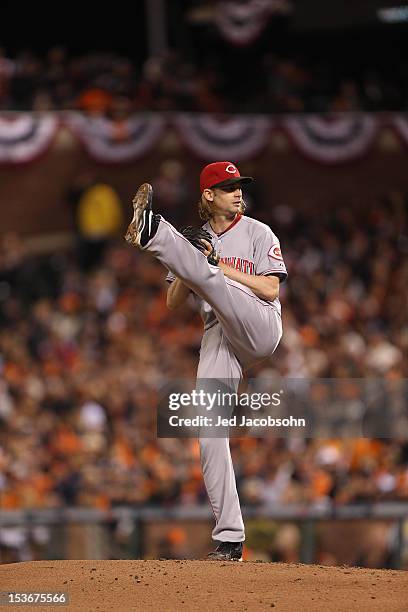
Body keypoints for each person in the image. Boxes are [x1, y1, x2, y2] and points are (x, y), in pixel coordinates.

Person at [125, 161, 287, 561]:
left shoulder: (257, 231)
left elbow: (269, 289)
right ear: (208, 195)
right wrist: (192, 268)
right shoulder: (197, 239)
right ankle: (230, 538)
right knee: (208, 431)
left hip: (259, 321)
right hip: (218, 331)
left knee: (212, 277)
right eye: (228, 186)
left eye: (240, 186)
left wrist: (214, 267)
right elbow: (172, 301)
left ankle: (154, 232)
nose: (238, 192)